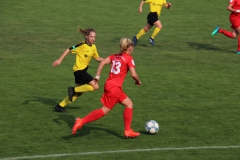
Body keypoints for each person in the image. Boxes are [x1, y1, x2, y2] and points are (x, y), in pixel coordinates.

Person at [72, 38, 142, 138]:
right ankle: (81, 121)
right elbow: (134, 74)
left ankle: (128, 130)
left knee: (129, 104)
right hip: (115, 89)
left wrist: (97, 76)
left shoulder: (114, 56)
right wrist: (138, 81)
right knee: (104, 110)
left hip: (109, 85)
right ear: (130, 48)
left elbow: (102, 62)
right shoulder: (129, 58)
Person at [52, 27, 104, 112]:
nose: (93, 38)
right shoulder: (81, 45)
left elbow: (97, 58)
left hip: (82, 71)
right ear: (87, 36)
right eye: (91, 36)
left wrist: (108, 61)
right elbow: (69, 49)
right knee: (95, 86)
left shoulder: (93, 47)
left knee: (78, 93)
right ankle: (72, 89)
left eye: (94, 37)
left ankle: (60, 106)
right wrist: (59, 59)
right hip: (79, 71)